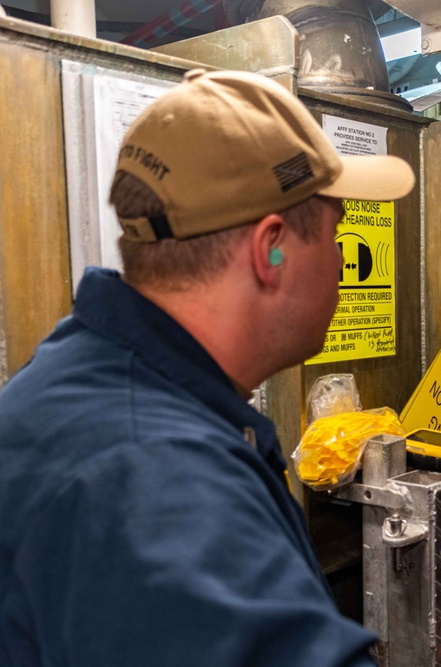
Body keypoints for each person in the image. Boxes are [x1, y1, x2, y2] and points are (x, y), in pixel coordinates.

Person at [0, 69, 414, 666]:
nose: (343, 264)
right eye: (335, 234)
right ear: (270, 251)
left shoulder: (92, 376)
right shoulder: (154, 479)